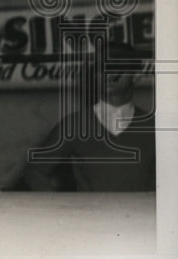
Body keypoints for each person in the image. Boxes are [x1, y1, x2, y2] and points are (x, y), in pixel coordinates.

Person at [22, 43, 155, 192]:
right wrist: (60, 209)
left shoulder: (154, 126)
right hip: (91, 215)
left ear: (136, 75)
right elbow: (34, 171)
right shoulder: (75, 125)